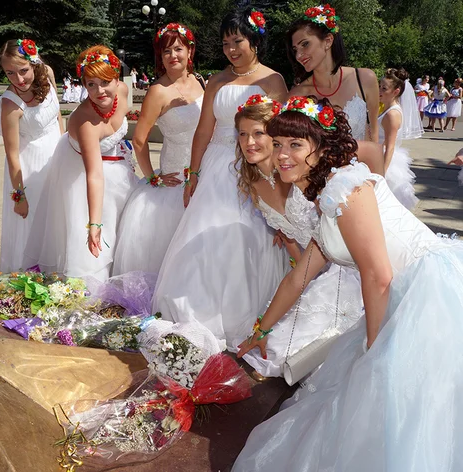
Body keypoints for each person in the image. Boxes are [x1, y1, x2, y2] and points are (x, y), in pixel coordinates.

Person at [232, 96, 463, 471]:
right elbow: (298, 277)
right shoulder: (327, 198)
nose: (281, 155)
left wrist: (374, 349)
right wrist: (262, 329)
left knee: (415, 407)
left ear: (321, 148)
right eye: (277, 144)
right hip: (400, 295)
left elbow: (378, 274)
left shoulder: (346, 186)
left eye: (295, 145)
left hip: (428, 292)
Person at [152, 7, 290, 352]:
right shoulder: (215, 80)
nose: (231, 49)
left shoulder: (274, 81)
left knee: (249, 242)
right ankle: (199, 315)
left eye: (238, 40)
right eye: (226, 42)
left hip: (257, 168)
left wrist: (280, 192)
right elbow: (204, 130)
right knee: (206, 240)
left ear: (254, 40)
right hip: (217, 166)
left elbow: (282, 136)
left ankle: (247, 318)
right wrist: (193, 174)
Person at [233, 94, 363, 379]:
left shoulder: (308, 176)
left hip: (348, 269)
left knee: (287, 352)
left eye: (259, 134)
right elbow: (296, 245)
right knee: (270, 344)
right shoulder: (255, 184)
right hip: (311, 269)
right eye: (242, 134)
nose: (249, 142)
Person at [24, 46, 137, 281]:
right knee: (97, 239)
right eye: (90, 84)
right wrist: (94, 224)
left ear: (117, 79)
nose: (99, 91)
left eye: (105, 82)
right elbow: (94, 175)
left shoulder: (123, 92)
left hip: (118, 165)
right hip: (81, 174)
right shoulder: (86, 122)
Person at [113, 23, 204, 275]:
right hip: (174, 183)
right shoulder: (158, 91)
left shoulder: (200, 82)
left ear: (190, 51)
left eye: (178, 49)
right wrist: (153, 177)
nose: (173, 56)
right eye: (166, 52)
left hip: (204, 175)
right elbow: (140, 141)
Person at [0, 39, 64, 273]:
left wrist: (66, 150)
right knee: (34, 225)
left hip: (56, 158)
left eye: (23, 71)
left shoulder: (47, 74)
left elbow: (57, 116)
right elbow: (12, 155)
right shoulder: (9, 104)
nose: (19, 79)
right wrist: (19, 197)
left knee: (58, 218)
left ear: (34, 64)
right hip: (29, 171)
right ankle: (31, 277)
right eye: (10, 73)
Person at [287, 4, 379, 142]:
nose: (298, 55)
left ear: (328, 41)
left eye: (305, 44)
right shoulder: (296, 95)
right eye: (295, 49)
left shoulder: (364, 79)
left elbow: (374, 135)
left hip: (362, 163)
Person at [377, 68, 419, 209]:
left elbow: (390, 145)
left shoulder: (392, 114)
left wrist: (381, 172)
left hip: (385, 159)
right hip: (378, 153)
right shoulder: (387, 109)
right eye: (379, 86)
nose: (380, 91)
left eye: (384, 88)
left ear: (396, 91)